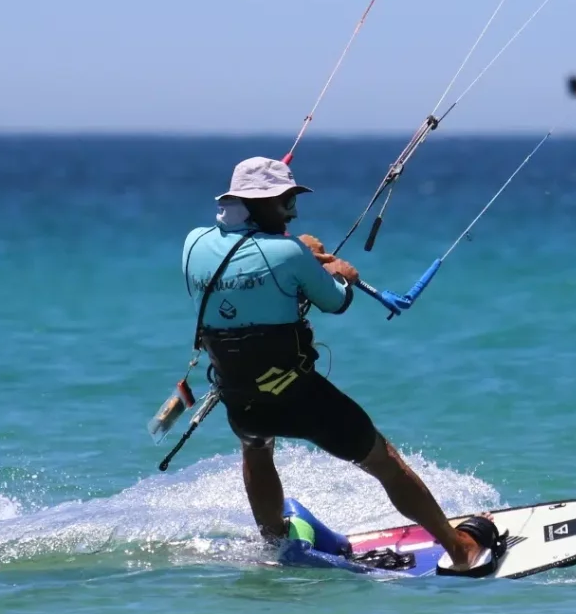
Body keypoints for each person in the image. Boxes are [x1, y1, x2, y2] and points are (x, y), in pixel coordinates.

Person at [182, 156, 499, 576]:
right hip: (297, 394)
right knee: (383, 459)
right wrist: (337, 271)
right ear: (257, 204)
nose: (292, 212)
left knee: (257, 448)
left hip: (238, 390)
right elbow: (336, 301)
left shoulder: (193, 243)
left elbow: (250, 272)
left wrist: (297, 253)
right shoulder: (288, 253)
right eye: (284, 204)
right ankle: (459, 549)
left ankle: (275, 543)